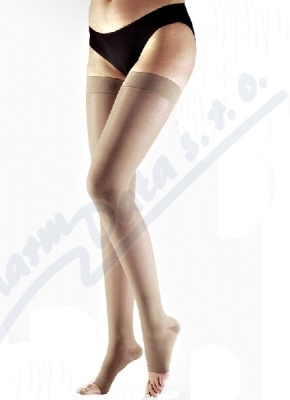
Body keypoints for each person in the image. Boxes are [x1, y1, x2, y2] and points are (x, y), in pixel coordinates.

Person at [77, 0, 196, 397]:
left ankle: (156, 325)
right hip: (101, 40)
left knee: (104, 186)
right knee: (113, 198)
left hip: (161, 33)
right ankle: (120, 343)